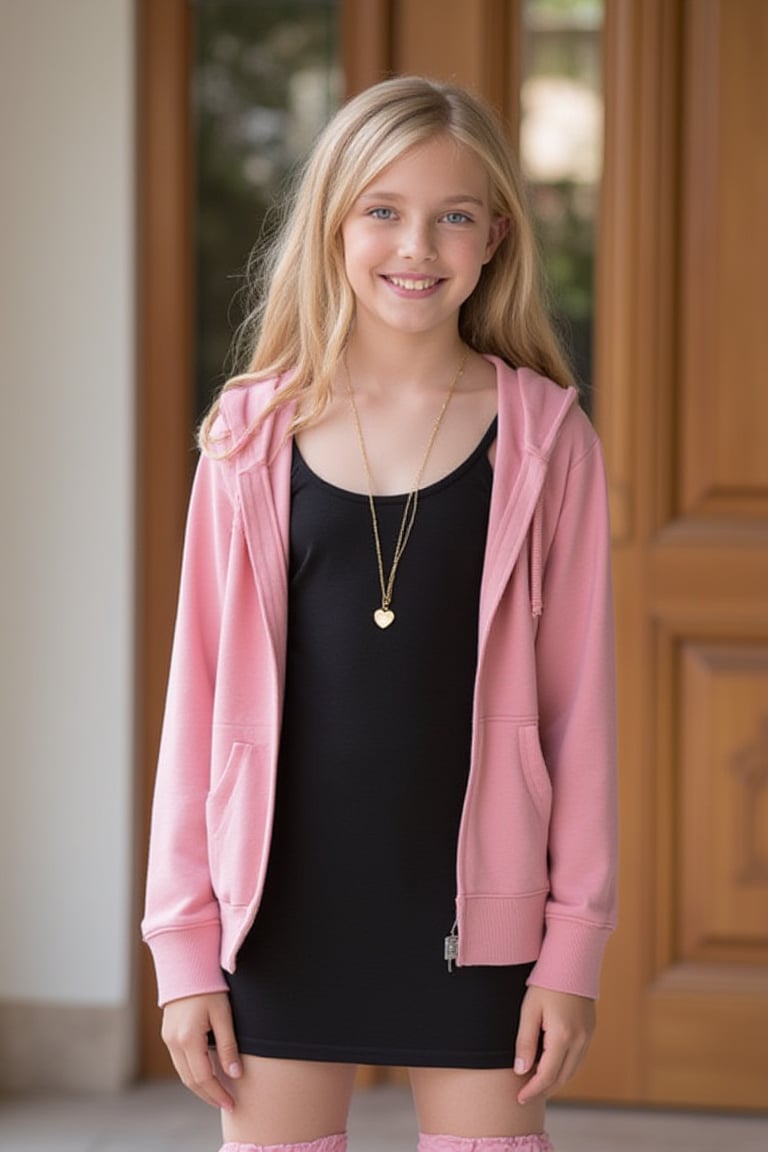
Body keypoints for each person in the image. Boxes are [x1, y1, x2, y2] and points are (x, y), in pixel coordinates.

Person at [142, 75, 617, 1152]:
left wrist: (572, 947)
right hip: (281, 913)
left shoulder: (547, 444)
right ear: (334, 225)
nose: (419, 244)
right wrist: (184, 948)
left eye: (455, 214)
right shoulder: (247, 440)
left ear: (496, 235)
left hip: (480, 922)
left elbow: (579, 715)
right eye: (384, 211)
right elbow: (197, 705)